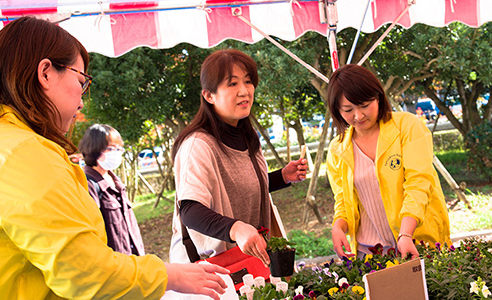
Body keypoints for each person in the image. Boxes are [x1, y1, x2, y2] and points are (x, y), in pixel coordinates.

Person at [0, 16, 228, 300]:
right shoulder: (26, 154)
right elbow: (83, 271)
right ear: (45, 73)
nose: (83, 100)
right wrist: (170, 275)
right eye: (81, 81)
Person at [169, 49, 308, 266]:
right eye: (232, 84)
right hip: (214, 270)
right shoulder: (198, 145)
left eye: (248, 81)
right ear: (209, 95)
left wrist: (282, 177)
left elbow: (236, 189)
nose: (244, 91)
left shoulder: (247, 136)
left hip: (249, 262)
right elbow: (190, 210)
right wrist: (236, 228)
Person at [325, 64, 451, 260]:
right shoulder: (337, 149)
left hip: (417, 241)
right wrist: (338, 227)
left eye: (365, 105)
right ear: (337, 110)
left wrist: (406, 233)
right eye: (348, 109)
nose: (358, 116)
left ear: (378, 97)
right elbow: (343, 200)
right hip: (370, 251)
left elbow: (419, 182)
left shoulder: (406, 127)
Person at [79, 124, 145, 256]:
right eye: (111, 148)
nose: (116, 153)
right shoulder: (88, 184)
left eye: (119, 149)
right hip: (114, 266)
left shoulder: (116, 182)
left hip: (135, 262)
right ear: (94, 149)